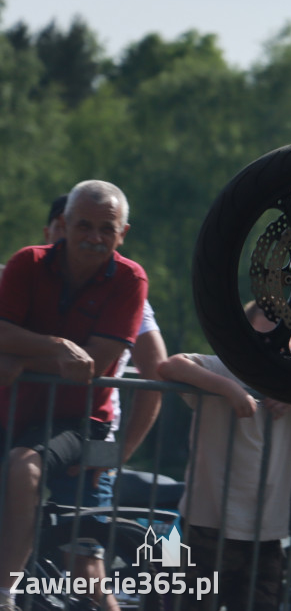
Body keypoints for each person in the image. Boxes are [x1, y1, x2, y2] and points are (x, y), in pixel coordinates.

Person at [0, 180, 147, 611]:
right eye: (84, 225)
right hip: (13, 417)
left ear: (123, 233)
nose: (94, 237)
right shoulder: (27, 262)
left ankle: (4, 597)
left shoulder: (130, 278)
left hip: (87, 428)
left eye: (107, 228)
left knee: (86, 571)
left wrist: (19, 358)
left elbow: (93, 367)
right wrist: (56, 349)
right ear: (62, 225)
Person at [156, 301, 291, 611]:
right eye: (266, 327)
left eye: (283, 333)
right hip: (206, 526)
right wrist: (229, 389)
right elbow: (168, 367)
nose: (272, 342)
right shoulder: (218, 366)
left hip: (266, 535)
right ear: (242, 333)